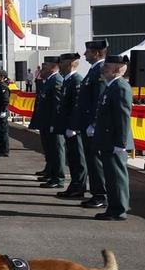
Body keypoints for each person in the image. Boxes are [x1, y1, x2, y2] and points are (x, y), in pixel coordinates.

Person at [91, 54, 133, 221]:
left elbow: (123, 117)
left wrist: (121, 142)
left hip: (115, 141)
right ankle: (113, 207)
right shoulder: (111, 86)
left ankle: (118, 210)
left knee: (116, 176)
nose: (103, 69)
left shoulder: (121, 87)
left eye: (107, 67)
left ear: (116, 69)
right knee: (111, 176)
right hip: (108, 139)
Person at [75, 40, 110, 210]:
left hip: (93, 126)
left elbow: (100, 99)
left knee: (96, 161)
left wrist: (95, 123)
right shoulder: (94, 70)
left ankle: (101, 195)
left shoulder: (101, 71)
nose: (84, 55)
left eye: (87, 51)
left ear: (96, 53)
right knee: (91, 160)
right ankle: (97, 193)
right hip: (87, 124)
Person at [53, 52, 86, 198]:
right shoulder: (68, 80)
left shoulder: (76, 80)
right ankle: (75, 185)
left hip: (74, 128)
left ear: (70, 64)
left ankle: (79, 187)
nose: (59, 65)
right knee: (72, 157)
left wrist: (73, 127)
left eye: (62, 62)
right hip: (67, 126)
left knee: (78, 158)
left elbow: (77, 106)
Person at [38, 56, 68, 189]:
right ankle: (50, 172)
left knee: (57, 150)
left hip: (53, 123)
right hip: (46, 122)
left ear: (52, 67)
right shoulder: (49, 81)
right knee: (50, 150)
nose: (42, 68)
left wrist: (54, 123)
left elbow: (58, 105)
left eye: (45, 65)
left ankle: (58, 177)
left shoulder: (57, 81)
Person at [0, 65, 12, 157]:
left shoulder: (3, 86)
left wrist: (3, 111)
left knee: (3, 131)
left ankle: (4, 149)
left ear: (2, 77)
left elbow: (5, 100)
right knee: (0, 130)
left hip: (1, 111)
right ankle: (1, 147)